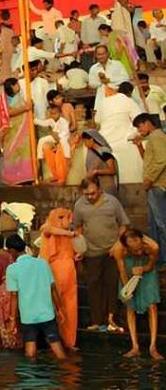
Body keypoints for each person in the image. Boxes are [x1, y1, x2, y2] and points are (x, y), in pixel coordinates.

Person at [74, 178, 129, 332]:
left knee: (112, 285)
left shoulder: (112, 202)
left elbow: (124, 224)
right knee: (93, 286)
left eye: (92, 193)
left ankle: (112, 319)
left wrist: (118, 243)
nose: (90, 196)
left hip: (111, 252)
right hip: (91, 253)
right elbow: (77, 228)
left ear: (99, 189)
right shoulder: (79, 205)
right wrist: (79, 248)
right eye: (87, 194)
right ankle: (97, 321)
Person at [5, 234, 67, 360]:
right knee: (57, 347)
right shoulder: (42, 263)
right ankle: (67, 374)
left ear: (12, 251)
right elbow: (53, 288)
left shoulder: (12, 269)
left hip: (28, 316)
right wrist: (60, 310)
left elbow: (14, 296)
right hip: (47, 313)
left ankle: (30, 377)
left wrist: (12, 320)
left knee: (30, 351)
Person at [113, 228, 162, 359]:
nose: (139, 251)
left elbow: (151, 266)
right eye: (135, 250)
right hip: (129, 267)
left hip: (147, 270)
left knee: (152, 305)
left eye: (140, 247)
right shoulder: (119, 249)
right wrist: (128, 288)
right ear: (126, 247)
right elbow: (122, 270)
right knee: (130, 306)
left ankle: (153, 347)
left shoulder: (152, 247)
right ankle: (135, 346)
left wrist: (143, 269)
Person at [39, 207, 79, 350]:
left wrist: (77, 254)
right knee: (55, 306)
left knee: (70, 307)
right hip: (54, 271)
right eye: (61, 217)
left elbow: (73, 249)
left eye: (67, 217)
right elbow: (51, 230)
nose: (66, 220)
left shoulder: (68, 235)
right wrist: (71, 234)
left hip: (69, 272)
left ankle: (69, 341)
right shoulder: (48, 228)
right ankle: (53, 341)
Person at [135, 113, 166, 268]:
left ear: (147, 123)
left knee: (162, 225)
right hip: (153, 186)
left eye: (140, 126)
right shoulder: (153, 138)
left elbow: (162, 160)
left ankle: (164, 259)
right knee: (154, 225)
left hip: (157, 186)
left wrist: (149, 180)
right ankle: (158, 259)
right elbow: (149, 160)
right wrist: (139, 146)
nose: (139, 130)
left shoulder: (156, 135)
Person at [0, 77, 35, 186]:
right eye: (17, 84)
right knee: (12, 153)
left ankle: (26, 177)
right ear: (13, 86)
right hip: (12, 130)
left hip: (23, 131)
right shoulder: (4, 99)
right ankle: (13, 178)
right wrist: (25, 108)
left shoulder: (19, 97)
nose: (18, 86)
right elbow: (8, 113)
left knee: (25, 152)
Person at [96, 82, 143, 184]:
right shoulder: (128, 101)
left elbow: (97, 120)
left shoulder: (103, 102)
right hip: (124, 141)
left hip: (107, 142)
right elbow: (139, 119)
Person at [80, 130, 119, 197]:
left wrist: (96, 171)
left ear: (92, 139)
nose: (85, 144)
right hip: (95, 188)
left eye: (85, 141)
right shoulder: (91, 153)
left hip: (107, 187)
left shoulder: (104, 152)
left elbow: (112, 170)